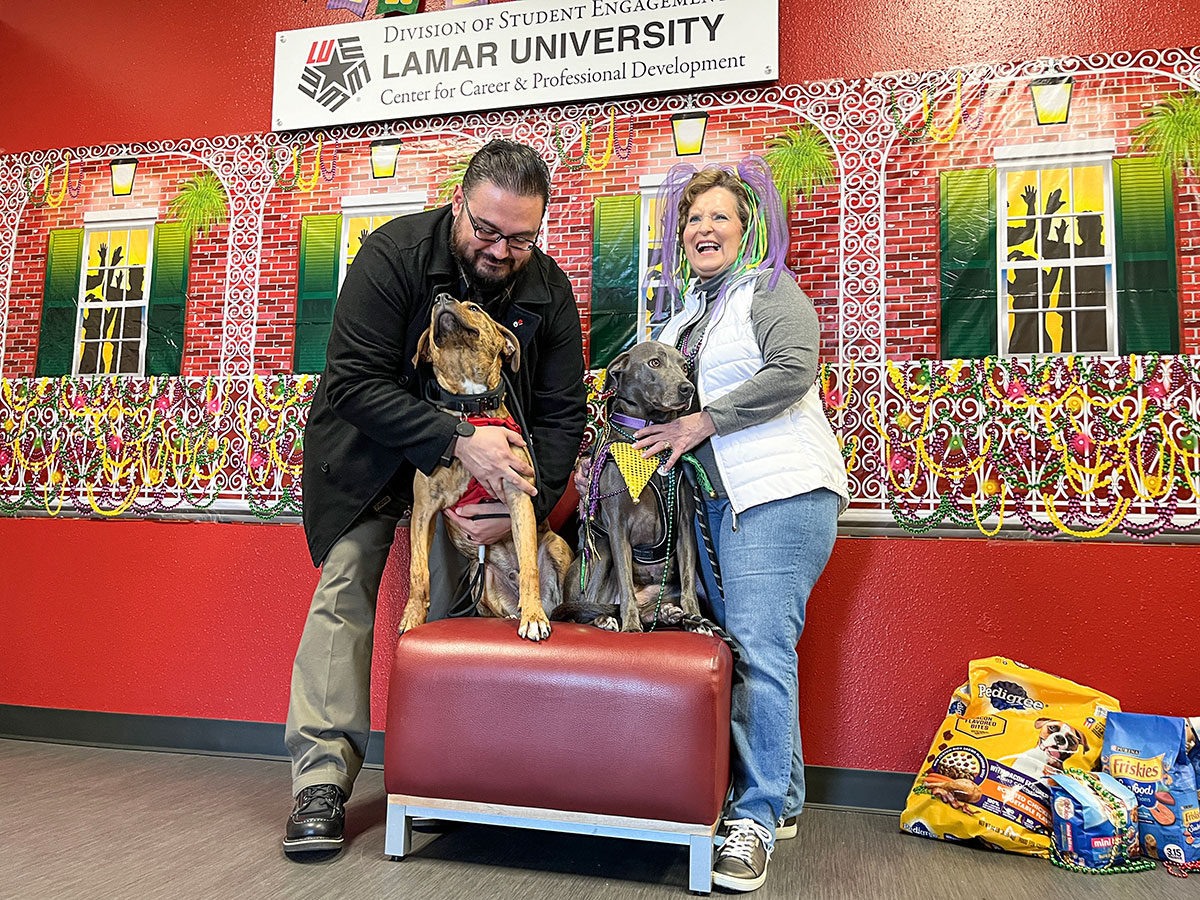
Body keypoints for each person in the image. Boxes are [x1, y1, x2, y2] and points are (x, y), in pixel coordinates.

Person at [283, 139, 586, 855]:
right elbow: (353, 381)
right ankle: (321, 780)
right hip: (366, 456)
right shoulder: (391, 255)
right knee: (348, 584)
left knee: (453, 610)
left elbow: (562, 412)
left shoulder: (550, 288)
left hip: (476, 481)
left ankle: (447, 775)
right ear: (459, 203)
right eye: (486, 230)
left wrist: (523, 508)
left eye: (521, 237)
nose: (501, 248)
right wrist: (458, 439)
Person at [631, 158, 849, 892]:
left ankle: (750, 820)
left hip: (782, 491)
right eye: (693, 219)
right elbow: (656, 417)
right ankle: (781, 799)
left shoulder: (769, 290)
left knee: (759, 644)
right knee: (752, 648)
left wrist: (706, 419)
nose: (704, 228)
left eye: (720, 216)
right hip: (716, 503)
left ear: (746, 229)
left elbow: (793, 369)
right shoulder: (683, 314)